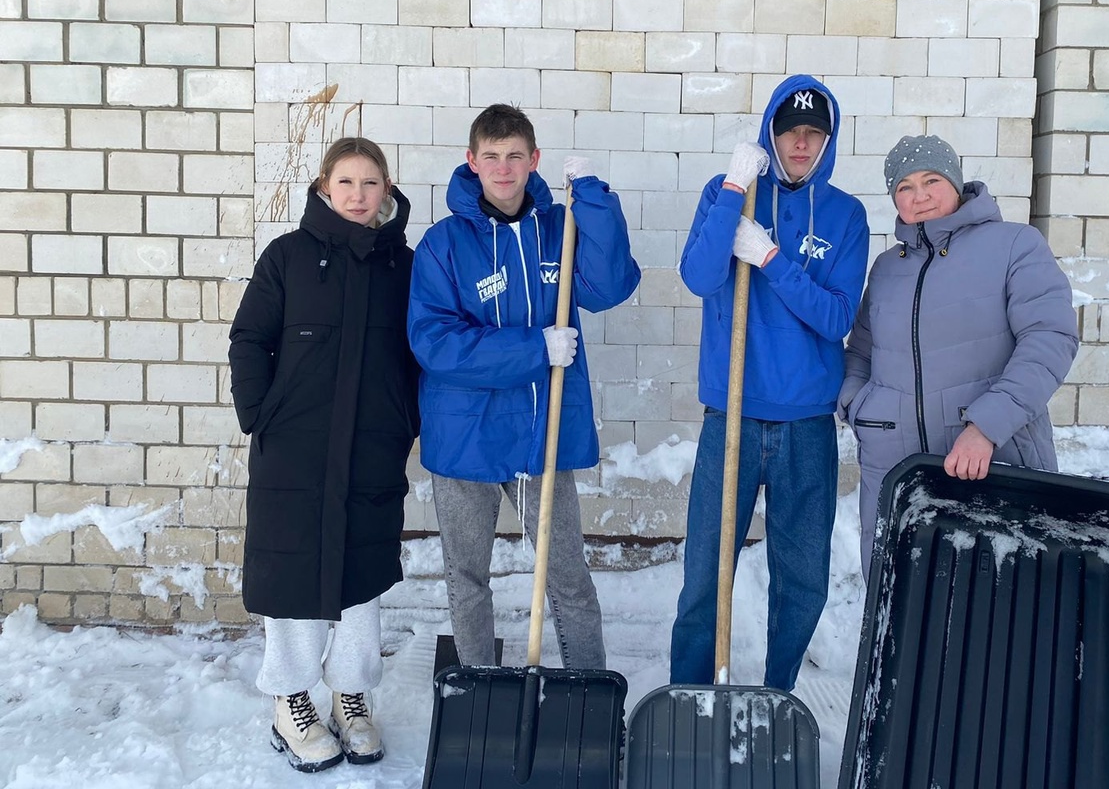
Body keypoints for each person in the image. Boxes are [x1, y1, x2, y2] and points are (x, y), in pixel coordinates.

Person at [407, 103, 640, 671]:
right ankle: (478, 692)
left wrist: (594, 200)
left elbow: (609, 286)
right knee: (468, 577)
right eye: (491, 156)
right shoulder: (443, 244)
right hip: (467, 436)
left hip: (542, 429)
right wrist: (535, 349)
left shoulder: (561, 228)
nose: (503, 168)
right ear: (472, 161)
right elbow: (435, 343)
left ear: (534, 160)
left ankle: (586, 691)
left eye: (515, 156)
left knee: (568, 575)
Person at [670, 74, 870, 691]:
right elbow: (699, 277)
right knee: (706, 571)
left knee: (802, 576)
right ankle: (690, 696)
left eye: (814, 133)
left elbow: (836, 317)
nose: (801, 144)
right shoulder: (729, 193)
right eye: (790, 132)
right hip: (729, 414)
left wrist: (772, 261)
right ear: (770, 136)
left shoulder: (845, 215)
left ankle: (777, 695)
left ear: (828, 141)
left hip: (806, 421)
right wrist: (735, 187)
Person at [228, 137, 419, 773]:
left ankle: (351, 696)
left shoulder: (404, 266)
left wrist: (405, 420)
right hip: (294, 448)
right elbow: (249, 338)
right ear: (323, 188)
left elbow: (417, 353)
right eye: (346, 182)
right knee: (292, 572)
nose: (358, 195)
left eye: (370, 183)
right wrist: (260, 414)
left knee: (362, 572)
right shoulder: (287, 256)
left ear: (386, 190)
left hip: (372, 446)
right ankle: (292, 701)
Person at [839, 134, 1080, 578]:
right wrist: (861, 408)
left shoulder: (1015, 245)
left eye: (931, 180)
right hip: (895, 469)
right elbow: (861, 351)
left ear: (955, 182)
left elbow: (1050, 338)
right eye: (905, 186)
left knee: (996, 598)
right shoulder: (887, 268)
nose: (920, 196)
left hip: (992, 461)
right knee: (902, 600)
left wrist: (987, 427)